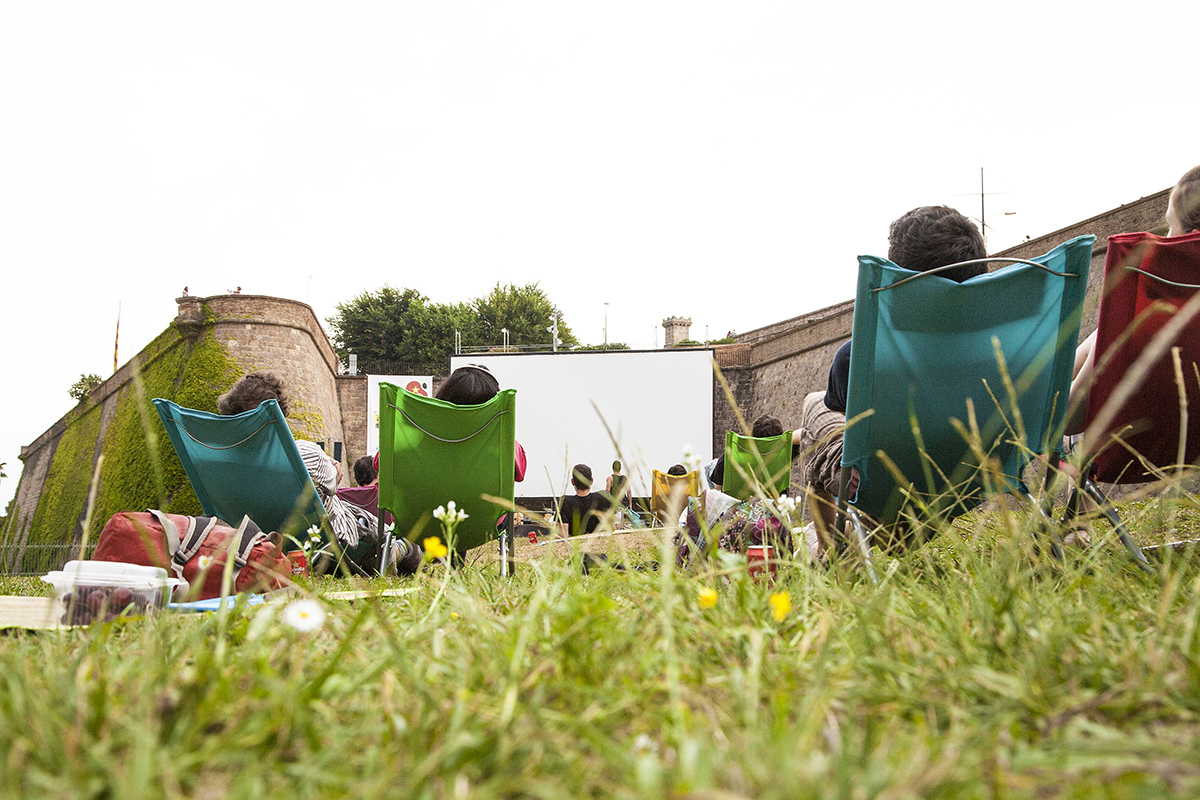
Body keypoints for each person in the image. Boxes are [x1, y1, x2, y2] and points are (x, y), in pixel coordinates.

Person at [797, 206, 989, 549]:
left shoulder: (858, 356)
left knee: (814, 405)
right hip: (971, 480)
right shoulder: (1008, 349)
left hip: (879, 490)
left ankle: (832, 555)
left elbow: (840, 409)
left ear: (898, 281)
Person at [215, 371, 411, 569]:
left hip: (262, 546)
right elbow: (333, 482)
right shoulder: (303, 453)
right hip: (330, 547)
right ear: (278, 416)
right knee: (395, 543)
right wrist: (332, 465)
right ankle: (404, 550)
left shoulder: (222, 463)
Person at [1066, 165, 1200, 435]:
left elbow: (1069, 420)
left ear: (1187, 241)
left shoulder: (1147, 319)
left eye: (1171, 228)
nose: (1165, 239)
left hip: (1135, 451)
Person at [708, 414, 802, 491]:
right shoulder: (786, 453)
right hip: (774, 504)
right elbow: (806, 433)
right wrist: (782, 441)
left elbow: (717, 489)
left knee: (710, 466)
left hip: (739, 506)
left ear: (753, 436)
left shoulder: (730, 456)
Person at [557, 464, 612, 537]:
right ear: (591, 481)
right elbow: (611, 530)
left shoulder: (564, 502)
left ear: (572, 482)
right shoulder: (603, 498)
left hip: (576, 547)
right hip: (600, 546)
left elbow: (562, 537)